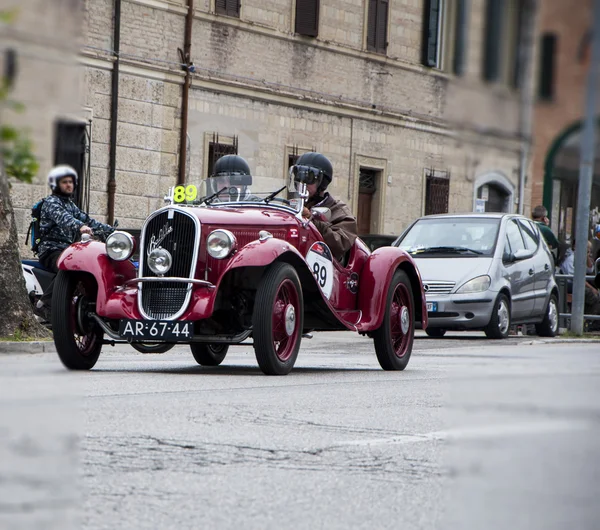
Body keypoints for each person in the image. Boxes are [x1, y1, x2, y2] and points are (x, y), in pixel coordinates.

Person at [33, 165, 114, 321]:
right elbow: (64, 219)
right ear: (56, 184)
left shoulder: (70, 205)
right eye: (64, 182)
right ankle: (44, 304)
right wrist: (80, 227)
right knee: (70, 268)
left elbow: (89, 220)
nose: (69, 185)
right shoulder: (51, 203)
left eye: (71, 182)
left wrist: (113, 231)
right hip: (51, 249)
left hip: (68, 250)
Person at [291, 152, 358, 263]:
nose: (302, 182)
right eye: (298, 176)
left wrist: (312, 221)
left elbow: (340, 244)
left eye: (309, 178)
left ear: (322, 183)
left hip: (327, 267)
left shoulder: (339, 211)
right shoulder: (292, 205)